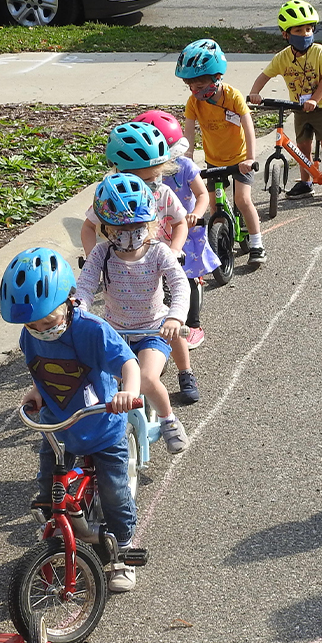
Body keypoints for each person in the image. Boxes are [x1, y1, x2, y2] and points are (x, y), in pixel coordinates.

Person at [0, 246, 145, 592]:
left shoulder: (91, 331)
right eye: (31, 323)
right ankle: (55, 518)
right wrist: (36, 391)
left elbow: (129, 364)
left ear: (69, 299)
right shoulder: (30, 334)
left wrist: (128, 391)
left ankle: (122, 550)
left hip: (101, 425)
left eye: (47, 321)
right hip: (59, 425)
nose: (39, 329)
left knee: (114, 491)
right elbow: (40, 368)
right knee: (48, 482)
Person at [79, 122, 200, 403]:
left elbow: (180, 222)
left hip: (156, 259)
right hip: (120, 276)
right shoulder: (111, 197)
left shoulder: (162, 194)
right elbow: (88, 227)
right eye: (142, 180)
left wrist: (174, 249)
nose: (147, 187)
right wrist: (92, 259)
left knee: (170, 321)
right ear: (119, 172)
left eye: (154, 179)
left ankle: (185, 370)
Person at [77, 172, 193, 451]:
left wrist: (175, 316)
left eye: (137, 226)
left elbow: (179, 284)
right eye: (119, 229)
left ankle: (168, 420)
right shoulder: (102, 254)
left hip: (153, 330)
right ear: (106, 228)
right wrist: (79, 311)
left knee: (146, 378)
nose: (129, 235)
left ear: (150, 223)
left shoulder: (158, 252)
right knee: (100, 382)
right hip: (114, 331)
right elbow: (85, 284)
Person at [247, 0, 322, 207]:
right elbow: (264, 76)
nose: (305, 35)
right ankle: (306, 183)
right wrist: (255, 92)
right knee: (302, 147)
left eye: (309, 29)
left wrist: (314, 99)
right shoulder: (282, 58)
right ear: (286, 34)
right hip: (299, 108)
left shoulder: (318, 51)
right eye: (299, 30)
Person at [176, 38, 266, 265]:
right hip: (213, 160)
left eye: (200, 86)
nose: (195, 91)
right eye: (191, 87)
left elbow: (248, 126)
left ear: (216, 78)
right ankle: (218, 243)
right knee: (214, 204)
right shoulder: (193, 103)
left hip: (240, 158)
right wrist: (187, 160)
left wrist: (250, 158)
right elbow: (189, 135)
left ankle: (257, 245)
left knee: (243, 199)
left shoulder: (232, 96)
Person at [134, 108, 214, 355]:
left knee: (186, 278)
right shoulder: (139, 175)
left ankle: (194, 324)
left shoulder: (185, 166)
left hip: (185, 230)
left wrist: (196, 214)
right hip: (156, 233)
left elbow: (202, 195)